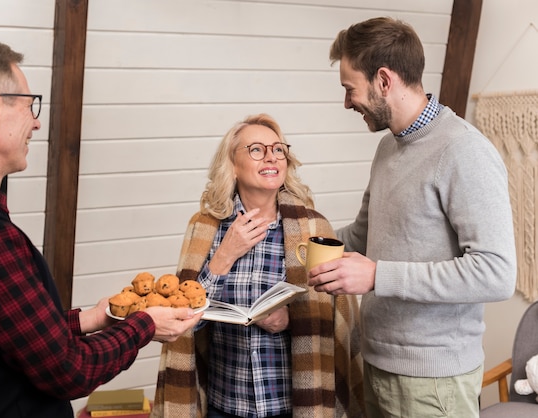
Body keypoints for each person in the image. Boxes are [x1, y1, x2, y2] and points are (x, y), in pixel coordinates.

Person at [0, 40, 202, 418]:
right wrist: (145, 325)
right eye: (30, 105)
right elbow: (68, 371)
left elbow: (0, 330)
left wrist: (90, 319)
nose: (35, 121)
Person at [307, 17, 517, 418]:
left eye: (350, 89)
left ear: (384, 80)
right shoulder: (389, 148)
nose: (347, 103)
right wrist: (298, 240)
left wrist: (376, 277)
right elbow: (361, 237)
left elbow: (496, 272)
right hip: (377, 365)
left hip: (433, 385)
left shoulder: (463, 151)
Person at [152, 113, 364, 418]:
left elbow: (333, 320)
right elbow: (183, 323)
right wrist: (224, 256)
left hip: (293, 407)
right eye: (256, 149)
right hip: (223, 406)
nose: (271, 157)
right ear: (232, 165)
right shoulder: (204, 228)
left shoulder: (314, 228)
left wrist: (290, 320)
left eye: (278, 149)